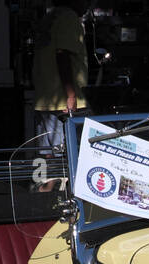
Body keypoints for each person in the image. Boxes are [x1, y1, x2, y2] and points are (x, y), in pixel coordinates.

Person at [32, 1, 89, 154]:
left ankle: (49, 179)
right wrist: (71, 95)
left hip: (45, 97)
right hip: (63, 98)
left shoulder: (50, 17)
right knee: (71, 152)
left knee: (48, 152)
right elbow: (62, 55)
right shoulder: (69, 17)